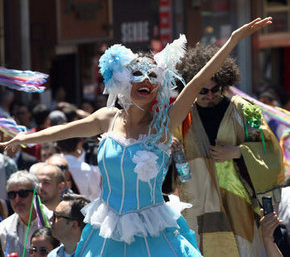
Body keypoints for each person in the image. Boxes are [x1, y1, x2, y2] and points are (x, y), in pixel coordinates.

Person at [0, 18, 272, 256]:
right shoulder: (108, 118)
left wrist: (234, 39)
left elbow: (198, 81)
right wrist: (21, 139)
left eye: (153, 76)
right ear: (122, 81)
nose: (146, 80)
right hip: (108, 231)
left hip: (152, 231)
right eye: (137, 74)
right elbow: (62, 130)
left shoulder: (164, 125)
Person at [171, 43, 284, 256]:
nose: (211, 95)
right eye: (203, 91)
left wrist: (238, 152)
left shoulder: (243, 110)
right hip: (198, 204)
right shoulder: (182, 117)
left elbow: (270, 150)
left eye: (216, 89)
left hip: (238, 204)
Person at [0, 171, 52, 257]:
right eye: (12, 195)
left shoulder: (55, 222)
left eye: (23, 194)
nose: (17, 200)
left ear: (37, 195)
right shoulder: (3, 228)